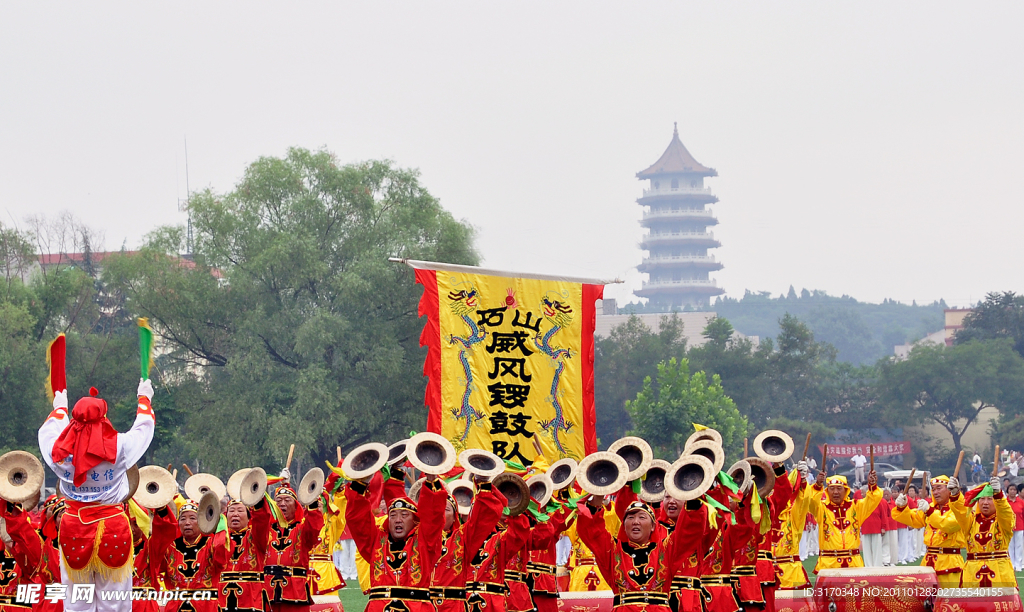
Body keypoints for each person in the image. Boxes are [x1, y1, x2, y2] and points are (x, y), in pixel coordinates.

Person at [38, 380, 155, 612]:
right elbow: (144, 428)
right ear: (103, 417)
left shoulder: (58, 452)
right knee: (115, 599)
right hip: (112, 526)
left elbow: (47, 431)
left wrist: (59, 407)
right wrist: (144, 398)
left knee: (76, 600)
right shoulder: (120, 446)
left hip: (74, 528)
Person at [576, 493, 702, 612]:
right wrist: (598, 494)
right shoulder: (612, 550)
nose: (636, 521)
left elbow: (689, 530)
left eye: (642, 517)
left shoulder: (666, 550)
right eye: (630, 517)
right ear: (624, 525)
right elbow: (591, 530)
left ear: (653, 526)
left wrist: (692, 495)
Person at [345, 472, 445, 612]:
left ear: (415, 521)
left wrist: (431, 480)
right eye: (393, 515)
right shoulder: (376, 541)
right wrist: (361, 483)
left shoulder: (424, 542)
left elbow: (433, 516)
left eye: (404, 515)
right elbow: (357, 518)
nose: (398, 519)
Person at [429, 480, 504, 612]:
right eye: (436, 509)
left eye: (446, 509)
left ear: (454, 518)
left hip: (453, 608)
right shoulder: (418, 538)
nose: (440, 513)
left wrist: (484, 485)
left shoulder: (462, 538)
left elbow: (482, 519)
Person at [892, 475, 966, 588]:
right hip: (929, 562)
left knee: (950, 600)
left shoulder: (958, 509)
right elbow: (915, 520)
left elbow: (949, 525)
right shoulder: (930, 507)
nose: (935, 492)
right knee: (926, 601)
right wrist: (902, 507)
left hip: (949, 563)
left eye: (939, 488)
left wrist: (929, 511)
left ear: (949, 489)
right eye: (934, 489)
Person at [158, 498, 231, 612]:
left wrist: (218, 518)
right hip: (175, 607)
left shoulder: (211, 544)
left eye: (192, 518)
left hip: (205, 607)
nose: (187, 523)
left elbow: (221, 561)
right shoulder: (170, 547)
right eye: (183, 519)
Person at [264, 484, 325, 612]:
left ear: (296, 505)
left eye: (287, 500)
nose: (282, 504)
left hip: (296, 591)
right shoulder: (266, 530)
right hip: (268, 591)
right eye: (278, 500)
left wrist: (312, 501)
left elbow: (314, 528)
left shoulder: (302, 529)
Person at [808, 471, 882, 570]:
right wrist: (818, 485)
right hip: (829, 563)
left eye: (839, 488)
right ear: (827, 491)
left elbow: (873, 499)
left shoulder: (856, 506)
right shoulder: (821, 508)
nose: (835, 492)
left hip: (853, 563)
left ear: (846, 490)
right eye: (832, 488)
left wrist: (872, 485)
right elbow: (810, 502)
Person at [950, 479, 1018, 588]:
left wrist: (999, 496)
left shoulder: (1003, 523)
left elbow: (1006, 513)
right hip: (973, 574)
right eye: (982, 499)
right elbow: (961, 512)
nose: (985, 502)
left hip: (999, 573)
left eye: (990, 499)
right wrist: (955, 494)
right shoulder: (970, 521)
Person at [219, 494, 272, 612]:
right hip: (222, 598)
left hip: (251, 598)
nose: (235, 514)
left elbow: (262, 520)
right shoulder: (220, 538)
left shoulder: (256, 537)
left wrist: (256, 501)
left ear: (249, 517)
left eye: (240, 510)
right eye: (231, 510)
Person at [773, 462, 813, 590]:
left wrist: (802, 481)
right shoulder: (760, 517)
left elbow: (803, 501)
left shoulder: (793, 515)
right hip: (764, 575)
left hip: (792, 574)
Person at [1004, 483, 1024, 571]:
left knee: (1019, 546)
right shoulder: (1004, 502)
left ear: (1017, 491)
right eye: (1011, 489)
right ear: (1007, 491)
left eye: (1014, 490)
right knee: (1010, 546)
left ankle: (1019, 565)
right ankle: (1011, 564)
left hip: (1020, 525)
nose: (1012, 491)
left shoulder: (1021, 501)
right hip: (1008, 527)